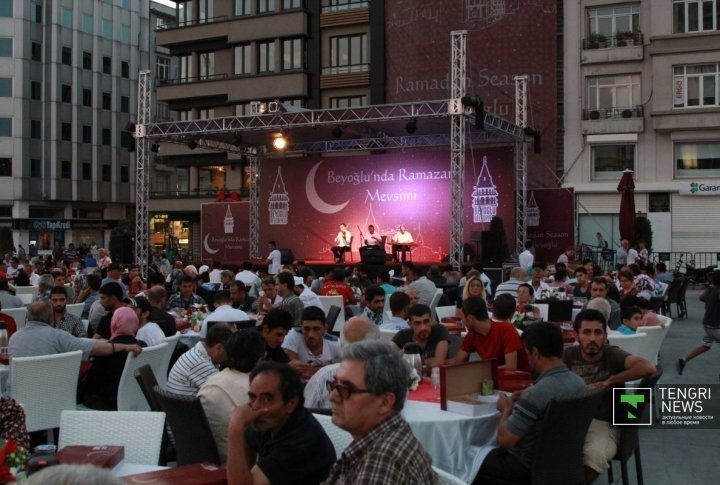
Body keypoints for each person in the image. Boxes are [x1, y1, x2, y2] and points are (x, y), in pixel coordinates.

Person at [474, 322, 587, 484]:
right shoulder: (579, 384)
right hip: (563, 464)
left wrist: (505, 409)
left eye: (527, 354)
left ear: (535, 353)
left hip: (525, 468)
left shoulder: (536, 394)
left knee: (467, 457)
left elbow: (505, 441)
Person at [323, 340, 438, 484]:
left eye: (346, 389)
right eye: (335, 385)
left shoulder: (382, 461)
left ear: (384, 402)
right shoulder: (379, 439)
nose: (332, 396)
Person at [563, 309, 656, 483]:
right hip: (573, 420)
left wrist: (610, 381)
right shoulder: (568, 355)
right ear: (577, 336)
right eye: (586, 332)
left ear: (605, 336)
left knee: (593, 456)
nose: (592, 338)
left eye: (598, 332)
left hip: (606, 422)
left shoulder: (612, 354)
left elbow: (648, 367)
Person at [226, 362, 336, 485]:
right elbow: (248, 441)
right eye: (252, 397)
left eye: (267, 399)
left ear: (291, 404)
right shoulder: (269, 421)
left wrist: (235, 427)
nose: (256, 407)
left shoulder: (301, 443)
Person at [199, 329, 266, 464]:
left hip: (205, 463)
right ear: (259, 360)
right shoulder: (255, 393)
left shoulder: (210, 381)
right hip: (241, 465)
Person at [9, 301, 142, 360]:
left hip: (16, 401)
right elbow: (94, 349)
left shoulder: (14, 338)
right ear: (50, 317)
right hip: (54, 397)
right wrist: (124, 346)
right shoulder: (58, 336)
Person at [304, 316, 380, 409]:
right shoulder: (387, 377)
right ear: (377, 344)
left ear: (342, 344)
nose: (333, 397)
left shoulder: (324, 375)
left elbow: (307, 411)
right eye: (333, 386)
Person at [79, 307, 147, 410]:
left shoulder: (107, 350)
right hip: (133, 401)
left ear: (114, 323)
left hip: (105, 403)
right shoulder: (143, 347)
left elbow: (91, 383)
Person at [453, 296, 529, 371]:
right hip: (491, 379)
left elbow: (511, 367)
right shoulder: (472, 334)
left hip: (518, 380)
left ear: (470, 318)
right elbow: (457, 361)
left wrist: (479, 371)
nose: (462, 321)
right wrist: (441, 364)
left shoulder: (507, 330)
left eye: (462, 317)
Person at [166, 323, 235, 396]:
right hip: (186, 406)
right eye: (229, 351)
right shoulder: (200, 363)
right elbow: (225, 391)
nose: (231, 356)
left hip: (180, 403)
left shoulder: (197, 353)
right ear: (218, 348)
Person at [676, 270, 720, 376]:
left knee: (705, 345)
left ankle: (683, 360)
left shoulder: (710, 289)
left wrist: (711, 303)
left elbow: (701, 297)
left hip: (707, 325)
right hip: (717, 326)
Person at [282, 306, 341, 371]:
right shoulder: (293, 335)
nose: (311, 335)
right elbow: (294, 369)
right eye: (306, 329)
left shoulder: (336, 343)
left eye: (316, 329)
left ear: (325, 329)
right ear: (301, 327)